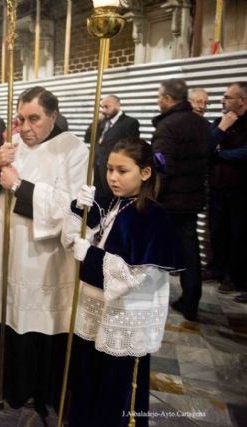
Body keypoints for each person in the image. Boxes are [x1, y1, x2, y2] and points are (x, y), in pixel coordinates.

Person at [0, 86, 88, 416]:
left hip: (44, 258)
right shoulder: (14, 147)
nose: (25, 127)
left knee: (37, 323)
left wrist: (20, 187)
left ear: (53, 116)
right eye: (21, 119)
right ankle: (10, 382)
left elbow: (73, 207)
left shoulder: (73, 150)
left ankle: (42, 388)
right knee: (10, 316)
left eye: (34, 119)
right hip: (9, 252)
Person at [61, 138, 182, 427]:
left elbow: (132, 275)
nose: (113, 177)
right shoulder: (116, 203)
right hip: (99, 309)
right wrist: (81, 210)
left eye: (122, 171)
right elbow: (86, 237)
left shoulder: (152, 216)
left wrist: (90, 256)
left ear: (145, 173)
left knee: (117, 386)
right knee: (91, 374)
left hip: (125, 316)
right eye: (109, 169)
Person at [151, 78, 211, 322]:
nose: (157, 101)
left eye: (159, 97)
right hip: (192, 197)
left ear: (167, 99)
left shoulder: (168, 127)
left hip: (169, 200)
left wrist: (153, 196)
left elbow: (163, 166)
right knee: (189, 251)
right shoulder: (202, 124)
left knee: (153, 251)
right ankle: (190, 301)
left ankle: (151, 298)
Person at [206, 82, 247, 302]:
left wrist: (220, 154)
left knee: (238, 237)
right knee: (218, 232)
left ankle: (234, 277)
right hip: (218, 189)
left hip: (241, 193)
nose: (223, 100)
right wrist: (221, 129)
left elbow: (244, 154)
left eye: (228, 97)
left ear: (242, 100)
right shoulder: (219, 121)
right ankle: (217, 269)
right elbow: (207, 148)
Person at [83, 95, 140, 203]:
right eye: (102, 107)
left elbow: (132, 147)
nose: (103, 110)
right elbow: (87, 138)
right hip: (97, 166)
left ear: (117, 105)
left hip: (113, 169)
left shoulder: (129, 123)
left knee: (111, 198)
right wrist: (96, 122)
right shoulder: (103, 122)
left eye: (107, 107)